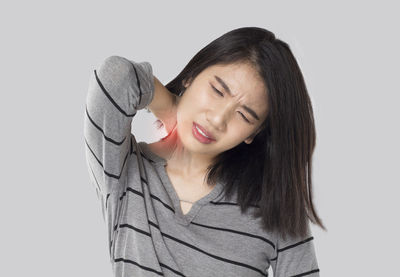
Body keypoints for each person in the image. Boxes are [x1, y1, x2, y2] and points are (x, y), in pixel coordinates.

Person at [83, 26, 326, 277]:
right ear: (192, 75)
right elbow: (115, 77)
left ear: (253, 134)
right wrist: (167, 105)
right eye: (218, 90)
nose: (218, 119)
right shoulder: (124, 170)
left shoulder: (275, 206)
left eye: (244, 115)